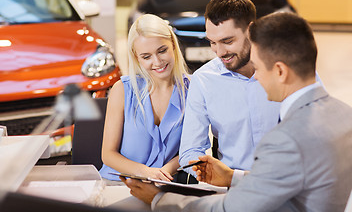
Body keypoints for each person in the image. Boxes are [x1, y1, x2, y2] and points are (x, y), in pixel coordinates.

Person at [122, 12, 352, 211]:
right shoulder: (345, 115)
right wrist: (232, 177)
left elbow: (229, 209)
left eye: (259, 69)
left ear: (280, 71)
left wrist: (159, 199)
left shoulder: (285, 140)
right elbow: (287, 181)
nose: (255, 78)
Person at [178, 0, 280, 178]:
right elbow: (190, 151)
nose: (219, 52)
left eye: (227, 41)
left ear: (251, 30)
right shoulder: (203, 80)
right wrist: (200, 167)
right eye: (213, 43)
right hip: (231, 187)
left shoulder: (284, 67)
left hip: (286, 184)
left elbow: (315, 134)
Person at [99, 14, 190, 183]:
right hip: (117, 183)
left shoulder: (191, 90)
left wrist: (163, 173)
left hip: (164, 184)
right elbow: (108, 154)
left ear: (173, 46)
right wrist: (145, 172)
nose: (157, 62)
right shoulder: (123, 90)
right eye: (146, 56)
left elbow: (192, 149)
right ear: (136, 57)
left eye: (162, 51)